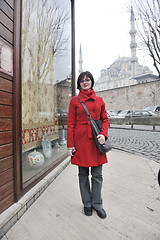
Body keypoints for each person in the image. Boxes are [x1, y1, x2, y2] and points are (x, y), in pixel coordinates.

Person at [67, 71, 109, 219]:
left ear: (92, 81)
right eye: (82, 80)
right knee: (83, 175)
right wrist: (70, 146)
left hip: (97, 143)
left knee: (97, 175)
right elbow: (70, 124)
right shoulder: (74, 101)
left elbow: (105, 119)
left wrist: (103, 134)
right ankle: (87, 204)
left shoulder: (99, 100)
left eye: (88, 80)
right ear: (79, 84)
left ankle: (97, 204)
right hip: (81, 143)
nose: (85, 82)